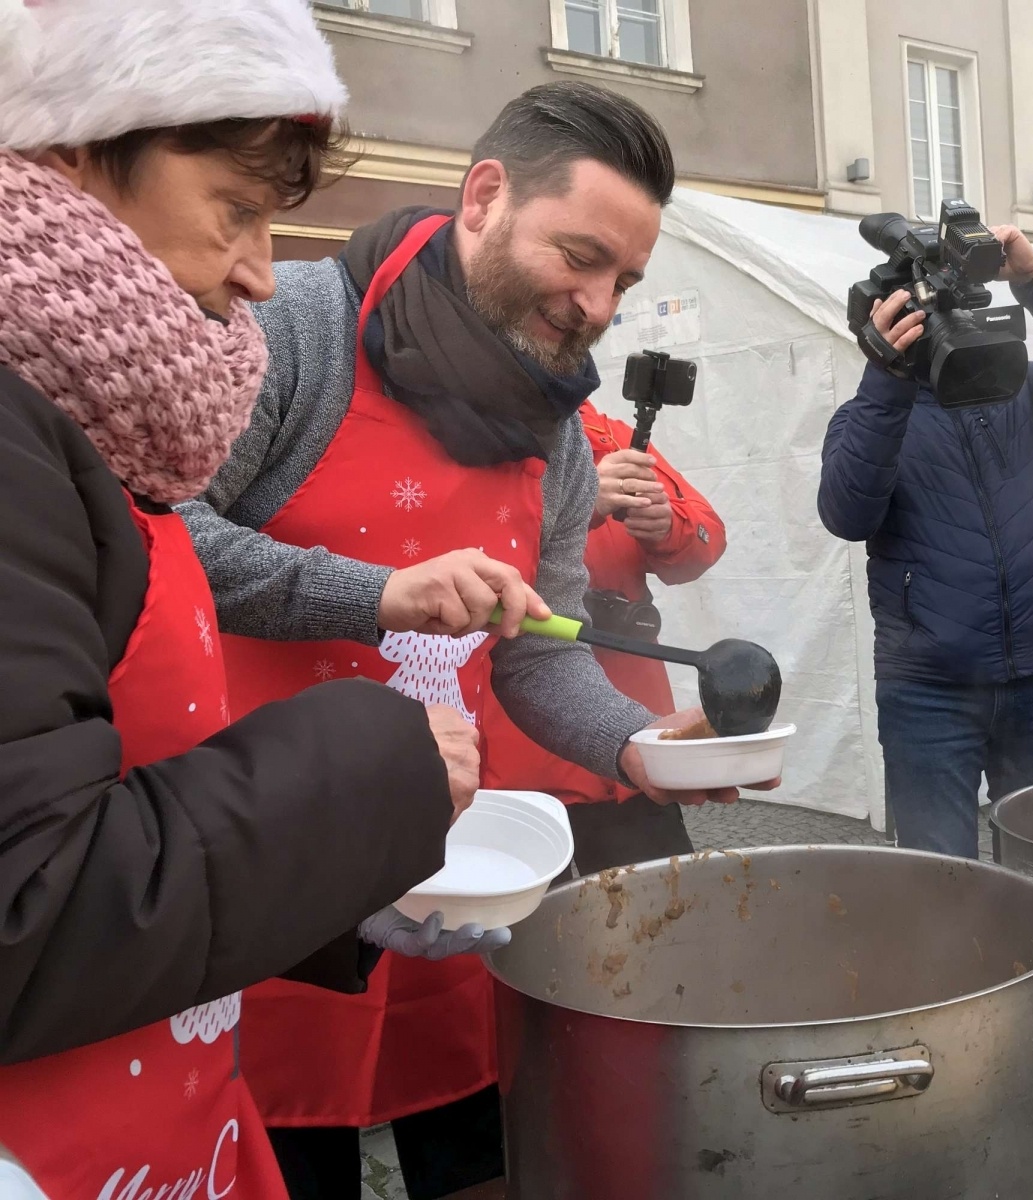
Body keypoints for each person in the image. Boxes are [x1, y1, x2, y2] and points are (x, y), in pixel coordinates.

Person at [178, 81, 761, 1200]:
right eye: (580, 257)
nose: (597, 304)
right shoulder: (291, 330)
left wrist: (641, 747)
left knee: (478, 1158)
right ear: (486, 197)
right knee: (282, 1156)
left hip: (452, 873)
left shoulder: (555, 427)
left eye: (623, 283)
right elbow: (162, 545)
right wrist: (379, 593)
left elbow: (541, 652)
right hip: (259, 866)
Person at [0, 2, 483, 1196]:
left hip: (156, 1109)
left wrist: (340, 882)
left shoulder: (92, 421)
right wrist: (376, 765)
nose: (262, 272)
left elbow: (116, 793)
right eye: (239, 209)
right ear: (70, 153)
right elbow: (28, 906)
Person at [817, 229, 1033, 859]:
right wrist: (886, 379)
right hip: (931, 693)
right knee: (941, 880)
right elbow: (847, 514)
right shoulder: (867, 417)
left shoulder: (1024, 396)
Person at [480, 399, 727, 872]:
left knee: (662, 915)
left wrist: (667, 527)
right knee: (527, 932)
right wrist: (580, 506)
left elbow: (707, 537)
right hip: (518, 755)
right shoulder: (475, 433)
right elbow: (452, 554)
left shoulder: (611, 434)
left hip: (632, 732)